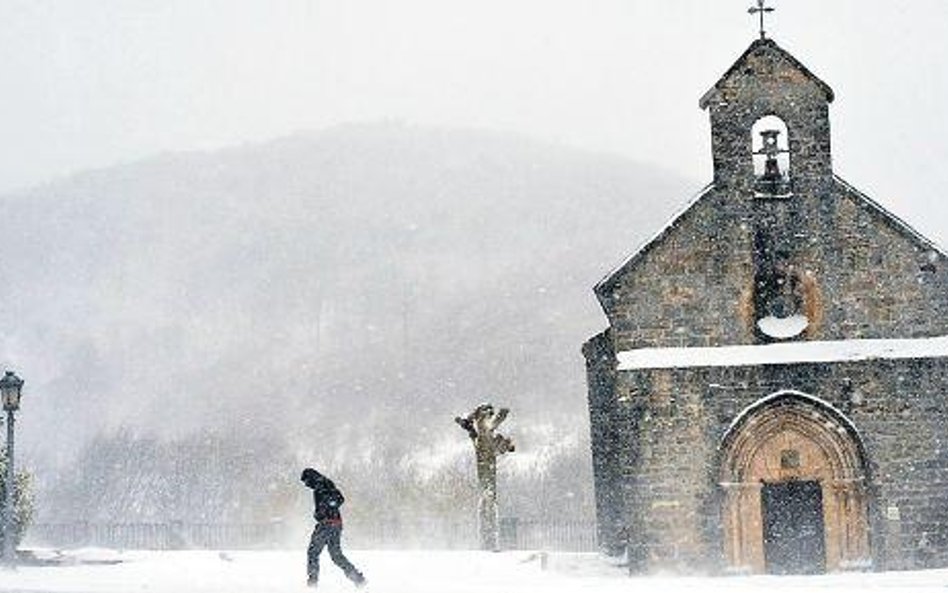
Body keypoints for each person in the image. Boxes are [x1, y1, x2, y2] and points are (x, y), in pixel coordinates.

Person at [300, 467, 366, 588]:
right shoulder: (327, 484)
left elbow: (336, 500)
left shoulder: (320, 486)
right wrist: (328, 508)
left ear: (311, 478)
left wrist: (322, 511)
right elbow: (339, 499)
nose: (306, 485)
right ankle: (357, 578)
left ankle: (312, 583)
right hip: (336, 523)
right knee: (336, 555)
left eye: (306, 482)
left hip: (326, 523)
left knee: (313, 552)